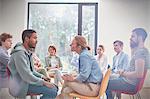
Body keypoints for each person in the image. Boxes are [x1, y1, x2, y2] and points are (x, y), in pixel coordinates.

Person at [8, 29, 58, 99]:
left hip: (26, 82)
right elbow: (26, 75)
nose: (36, 41)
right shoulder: (19, 53)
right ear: (26, 39)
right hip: (20, 85)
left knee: (55, 87)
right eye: (34, 38)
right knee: (52, 91)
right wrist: (44, 82)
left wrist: (42, 77)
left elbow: (32, 71)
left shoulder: (28, 52)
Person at [106, 28, 150, 99]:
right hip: (129, 81)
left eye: (133, 36)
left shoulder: (140, 52)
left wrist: (123, 74)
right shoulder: (143, 51)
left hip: (129, 84)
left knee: (105, 83)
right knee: (108, 81)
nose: (130, 39)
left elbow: (139, 74)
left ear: (140, 38)